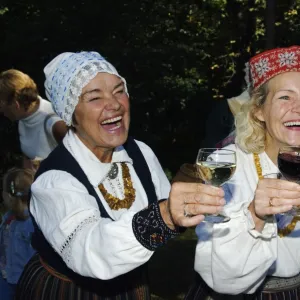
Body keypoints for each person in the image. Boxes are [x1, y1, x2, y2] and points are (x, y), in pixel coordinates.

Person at [15, 51, 225, 300]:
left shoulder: (140, 153)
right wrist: (166, 215)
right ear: (71, 114)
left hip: (132, 287)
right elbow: (92, 252)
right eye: (94, 97)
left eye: (119, 91)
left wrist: (190, 202)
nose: (114, 104)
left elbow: (169, 209)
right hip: (67, 292)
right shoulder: (55, 181)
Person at [185, 45, 300, 299]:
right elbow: (223, 275)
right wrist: (255, 214)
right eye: (285, 97)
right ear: (258, 110)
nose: (298, 107)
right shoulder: (224, 164)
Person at [0, 69, 68, 164]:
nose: (1, 111)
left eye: (1, 106)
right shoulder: (24, 117)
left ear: (16, 105)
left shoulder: (56, 125)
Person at [0, 168, 36, 300]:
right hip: (5, 277)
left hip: (23, 281)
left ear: (8, 196)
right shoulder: (9, 217)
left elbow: (35, 256)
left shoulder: (30, 223)